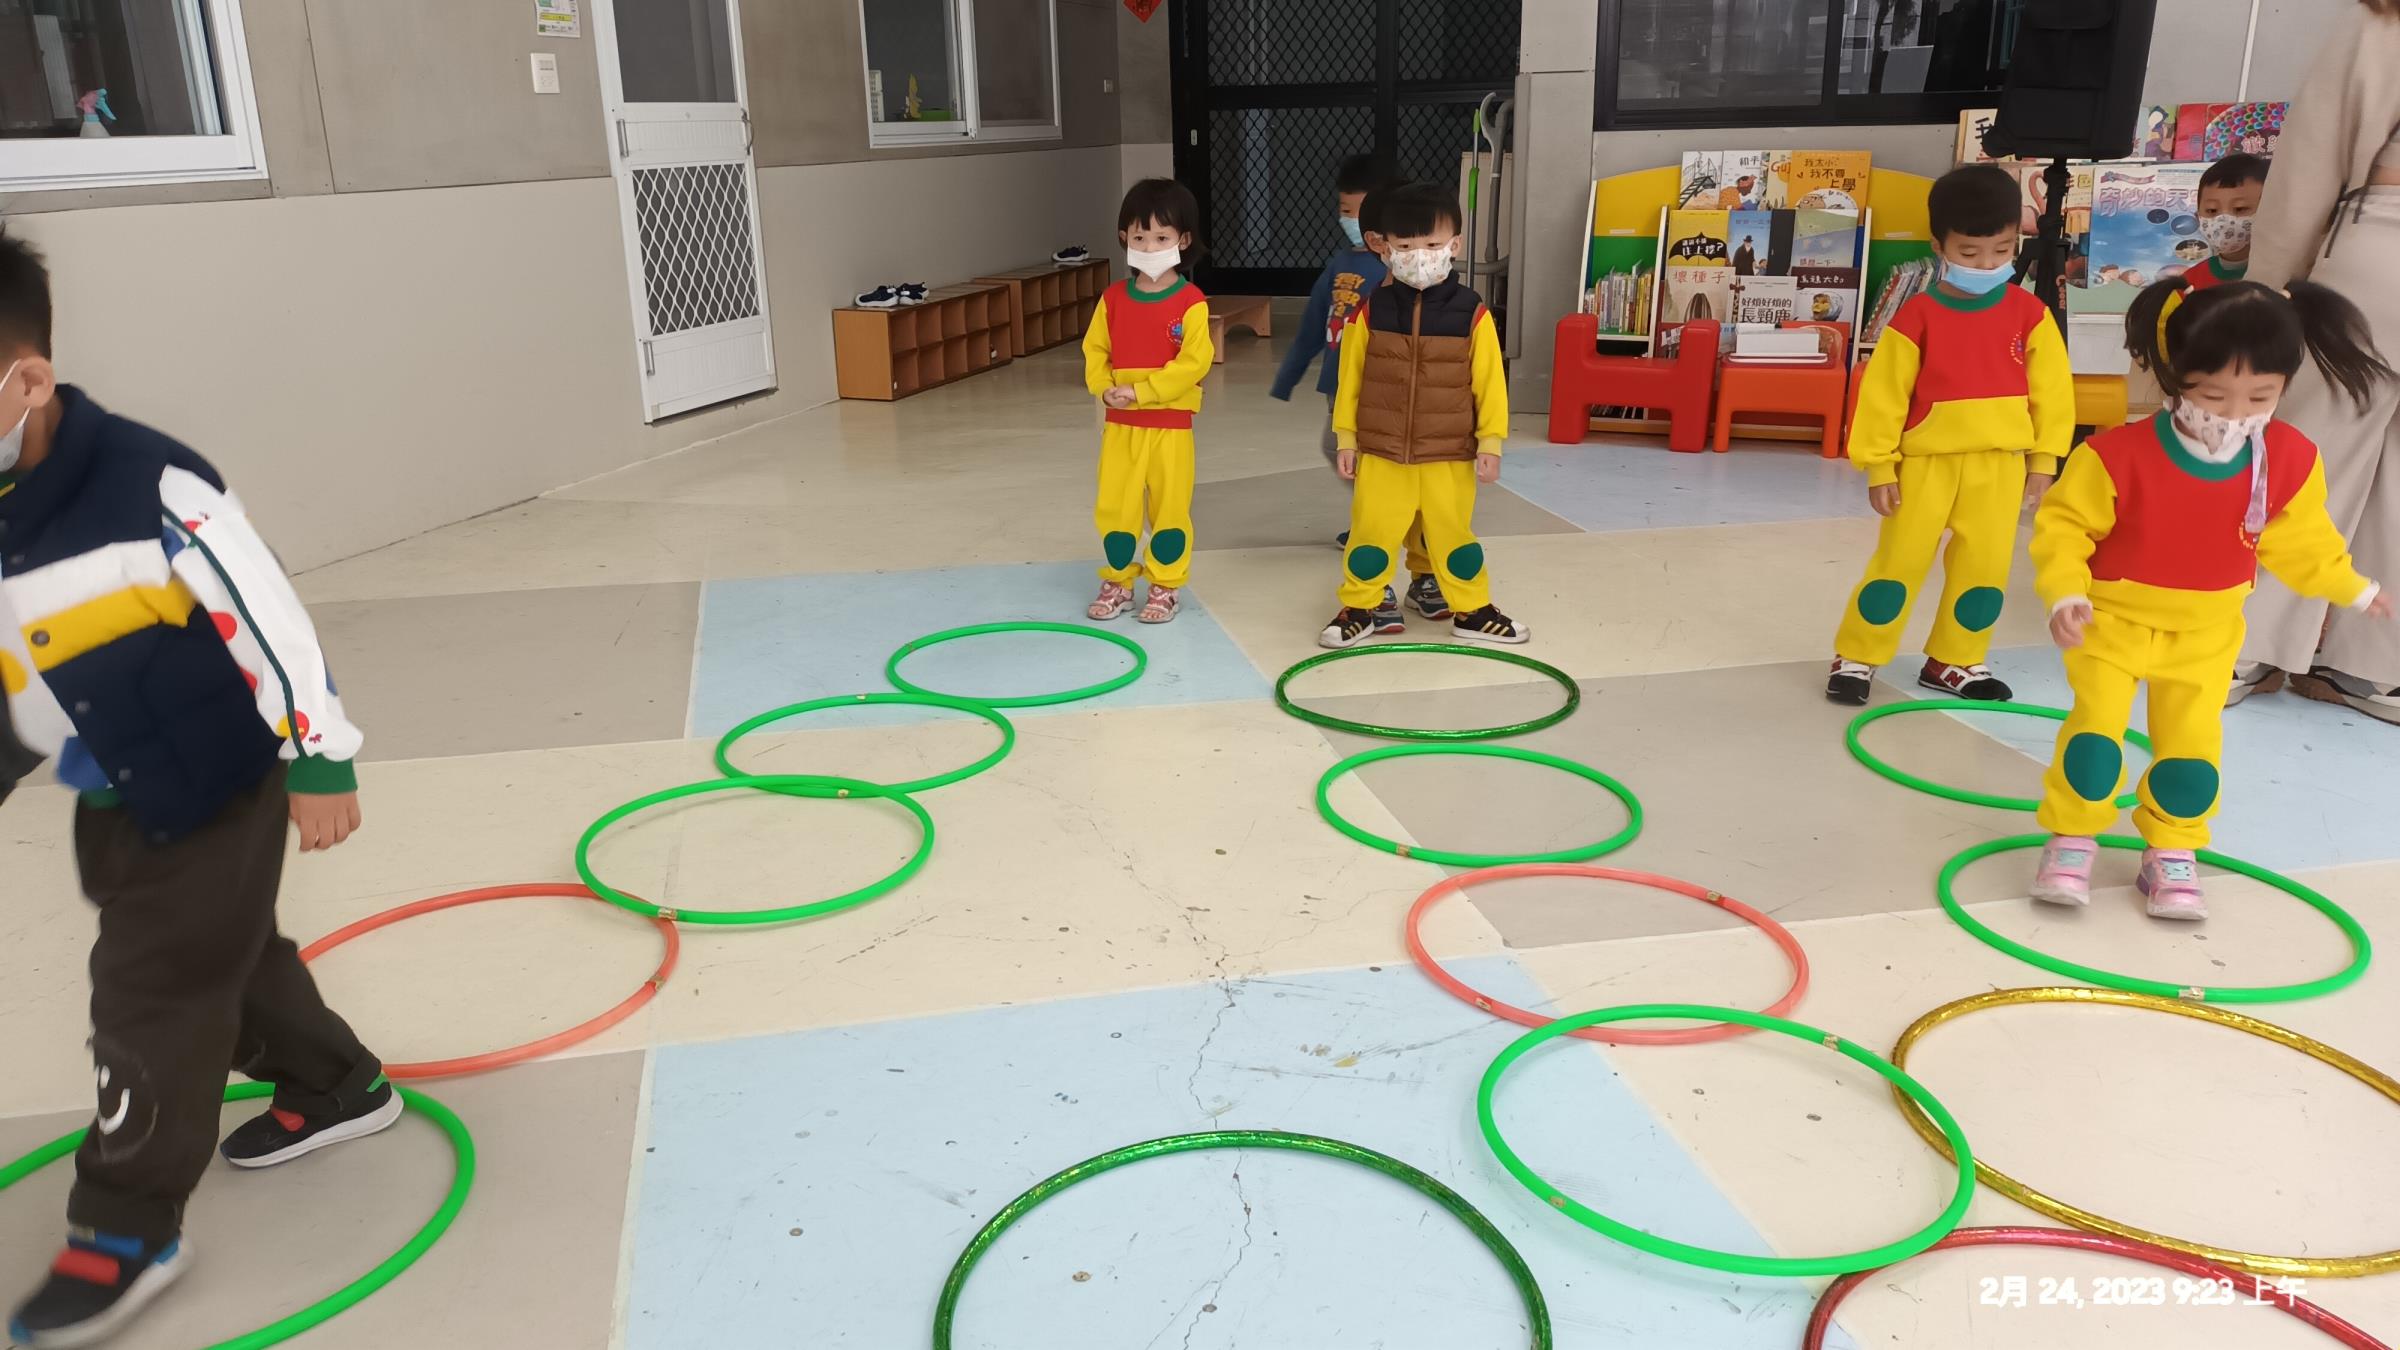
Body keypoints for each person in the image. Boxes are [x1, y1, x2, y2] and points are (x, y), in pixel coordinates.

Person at [0, 232, 392, 1347]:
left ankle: (125, 1226)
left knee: (151, 990)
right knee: (227, 949)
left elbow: (269, 618)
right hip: (112, 784)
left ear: (26, 381)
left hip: (215, 773)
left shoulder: (151, 487)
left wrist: (320, 752)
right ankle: (338, 1082)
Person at [2029, 278, 2394, 918]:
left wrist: (2354, 588)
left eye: (2260, 396)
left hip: (2207, 632)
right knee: (2095, 738)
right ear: (2176, 378)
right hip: (2110, 624)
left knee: (2192, 749)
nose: (2234, 413)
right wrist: (2064, 595)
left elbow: (2302, 543)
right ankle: (2073, 837)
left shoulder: (2289, 458)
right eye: (2213, 395)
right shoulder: (2115, 455)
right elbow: (2063, 530)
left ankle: (2171, 849)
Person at [1826, 164, 2075, 705]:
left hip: (2000, 466)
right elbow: (1883, 397)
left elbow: (2053, 394)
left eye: (2001, 251)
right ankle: (1858, 654)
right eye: (1969, 252)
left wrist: (2044, 460)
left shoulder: (2030, 314)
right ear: (1939, 246)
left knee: (1984, 569)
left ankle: (1955, 660)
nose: (1986, 264)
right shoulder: (1916, 316)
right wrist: (1880, 465)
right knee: (1898, 564)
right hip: (1924, 466)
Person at [2232, 0, 2400, 721]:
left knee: (2307, 457)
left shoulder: (2380, 20)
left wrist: (2267, 290)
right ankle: (2373, 669)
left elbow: (2309, 166)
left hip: (2381, 247)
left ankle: (2242, 646)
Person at [1319, 182, 1527, 648]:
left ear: (1455, 245)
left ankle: (1472, 610)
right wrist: (1347, 438)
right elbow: (1349, 381)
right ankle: (1360, 607)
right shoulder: (1371, 311)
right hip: (1382, 452)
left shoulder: (1471, 312)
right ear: (1385, 248)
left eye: (1432, 245)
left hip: (1449, 453)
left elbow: (1490, 383)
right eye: (1407, 246)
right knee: (1371, 535)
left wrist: (1490, 443)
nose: (1420, 256)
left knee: (1452, 537)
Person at [1268, 160, 1426, 633]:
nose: (1352, 220)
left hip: (1384, 393)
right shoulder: (1339, 266)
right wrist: (1289, 375)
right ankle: (1372, 520)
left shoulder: (1397, 271)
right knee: (1340, 449)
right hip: (1340, 386)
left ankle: (1388, 530)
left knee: (1376, 462)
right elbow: (1313, 323)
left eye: (1360, 212)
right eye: (1345, 210)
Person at [1084, 178, 1213, 625]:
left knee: (1169, 508)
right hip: (1121, 426)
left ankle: (1165, 586)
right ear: (1125, 238)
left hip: (1170, 426)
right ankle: (1118, 582)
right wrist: (1103, 386)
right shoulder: (1113, 299)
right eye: (1140, 237)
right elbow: (1095, 350)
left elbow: (1194, 362)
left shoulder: (1191, 302)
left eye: (1161, 238)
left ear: (1183, 240)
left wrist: (1144, 391)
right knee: (1115, 506)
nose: (1150, 246)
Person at [2187, 153, 2269, 291]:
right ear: (2198, 217)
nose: (2223, 221)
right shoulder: (2188, 282)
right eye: (2212, 210)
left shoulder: (2283, 274)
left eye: (2240, 209)